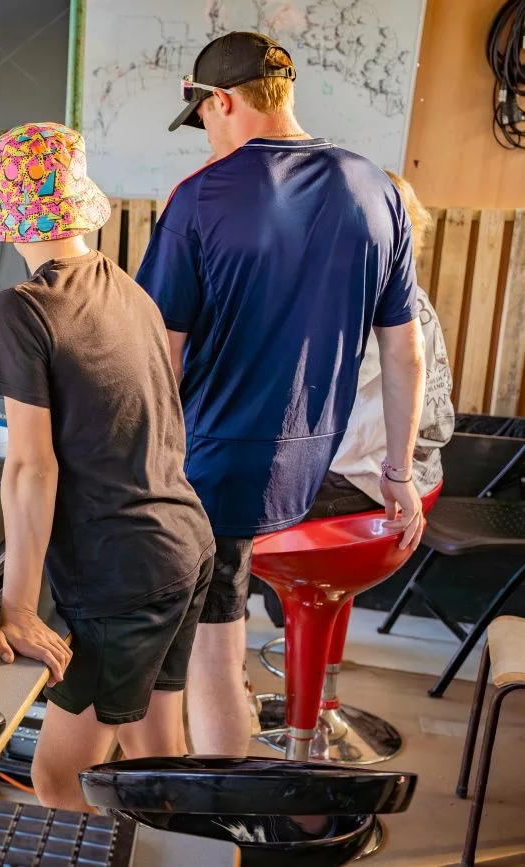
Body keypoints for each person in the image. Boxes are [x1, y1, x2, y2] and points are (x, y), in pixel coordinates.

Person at [135, 32, 428, 757]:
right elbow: (404, 349)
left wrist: (126, 472)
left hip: (206, 467)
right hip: (302, 469)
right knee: (215, 640)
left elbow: (156, 357)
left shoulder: (198, 197)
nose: (205, 134)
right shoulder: (377, 189)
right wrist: (399, 472)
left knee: (199, 656)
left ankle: (205, 826)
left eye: (203, 117)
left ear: (223, 102)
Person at [0, 122, 215, 810]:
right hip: (183, 546)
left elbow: (30, 468)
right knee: (153, 752)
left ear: (6, 220)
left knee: (60, 779)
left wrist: (18, 607)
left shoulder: (24, 308)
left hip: (123, 576)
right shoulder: (129, 291)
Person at [312, 171, 455, 518]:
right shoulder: (412, 297)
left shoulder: (365, 303)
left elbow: (315, 392)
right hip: (424, 469)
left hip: (366, 478)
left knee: (233, 509)